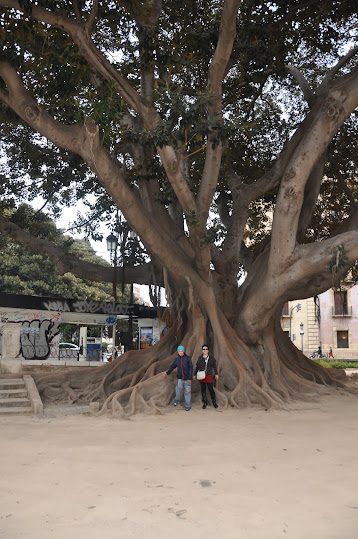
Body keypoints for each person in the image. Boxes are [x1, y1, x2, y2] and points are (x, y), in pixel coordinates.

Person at [165, 345, 193, 411]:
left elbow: (191, 368)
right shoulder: (177, 358)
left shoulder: (187, 358)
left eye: (181, 351)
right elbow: (173, 366)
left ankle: (187, 405)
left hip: (187, 379)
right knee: (178, 390)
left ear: (183, 351)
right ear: (178, 352)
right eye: (179, 351)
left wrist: (190, 378)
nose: (180, 352)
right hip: (180, 378)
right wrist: (167, 372)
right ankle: (177, 401)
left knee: (187, 392)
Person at [193, 344, 219, 409]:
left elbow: (214, 366)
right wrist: (194, 374)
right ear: (202, 350)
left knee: (210, 388)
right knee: (203, 389)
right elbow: (197, 367)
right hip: (202, 375)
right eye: (204, 349)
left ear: (208, 350)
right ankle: (205, 402)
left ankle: (214, 402)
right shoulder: (200, 358)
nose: (205, 350)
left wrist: (216, 374)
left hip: (209, 375)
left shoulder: (211, 358)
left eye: (206, 349)